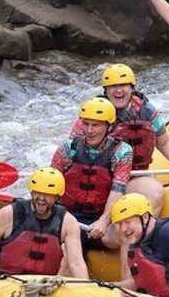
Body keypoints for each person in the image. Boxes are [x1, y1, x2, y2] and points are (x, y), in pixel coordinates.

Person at [69, 63, 169, 214]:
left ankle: (142, 233)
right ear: (105, 90)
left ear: (132, 88)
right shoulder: (93, 113)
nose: (118, 90)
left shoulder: (147, 111)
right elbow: (72, 148)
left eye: (124, 85)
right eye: (113, 86)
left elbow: (164, 141)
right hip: (102, 176)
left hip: (134, 175)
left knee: (155, 193)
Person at [0, 167, 88, 292]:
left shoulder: (68, 222)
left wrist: (87, 291)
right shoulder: (9, 214)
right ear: (31, 192)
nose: (41, 198)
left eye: (48, 194)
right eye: (38, 192)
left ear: (57, 197)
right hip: (5, 283)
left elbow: (76, 264)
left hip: (43, 287)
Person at [52, 97, 133, 251]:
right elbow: (52, 186)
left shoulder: (122, 152)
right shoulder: (67, 150)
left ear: (109, 127)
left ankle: (127, 275)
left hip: (99, 219)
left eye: (95, 125)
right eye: (86, 124)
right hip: (68, 216)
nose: (89, 130)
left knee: (127, 233)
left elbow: (118, 189)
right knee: (70, 250)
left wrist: (104, 220)